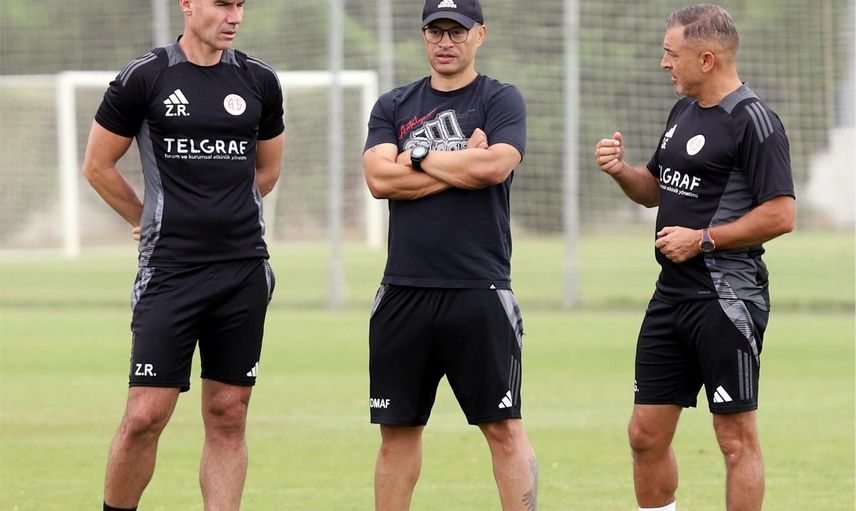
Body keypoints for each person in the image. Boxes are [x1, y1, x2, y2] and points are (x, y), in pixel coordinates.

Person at [81, 0, 284, 509]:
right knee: (145, 415)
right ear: (188, 5)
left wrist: (225, 209)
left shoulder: (260, 81)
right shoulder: (145, 77)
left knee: (229, 412)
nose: (234, 16)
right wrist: (144, 217)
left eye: (241, 5)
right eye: (222, 4)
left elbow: (266, 172)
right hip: (170, 271)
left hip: (242, 270)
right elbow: (98, 165)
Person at [594, 4, 796, 511]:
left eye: (672, 53)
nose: (664, 62)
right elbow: (653, 189)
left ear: (706, 59)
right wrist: (621, 171)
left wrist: (703, 239)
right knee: (644, 434)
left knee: (734, 439)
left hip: (727, 297)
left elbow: (781, 214)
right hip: (672, 296)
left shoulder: (755, 121)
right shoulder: (683, 111)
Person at [361, 1, 537, 509]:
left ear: (479, 35)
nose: (445, 42)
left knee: (503, 428)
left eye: (456, 32)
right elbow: (379, 180)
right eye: (435, 31)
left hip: (479, 289)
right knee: (397, 431)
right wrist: (463, 161)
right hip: (403, 291)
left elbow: (494, 169)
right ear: (423, 36)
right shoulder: (393, 104)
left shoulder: (500, 99)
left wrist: (415, 156)